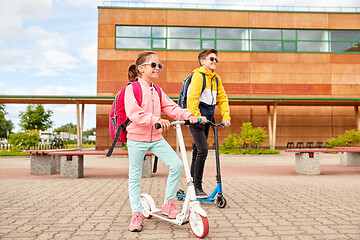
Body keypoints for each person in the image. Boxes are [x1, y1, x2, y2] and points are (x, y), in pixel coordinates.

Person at [125, 51, 198, 232]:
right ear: (141, 69)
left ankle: (168, 204)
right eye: (153, 65)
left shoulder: (157, 90)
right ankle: (136, 213)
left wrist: (188, 114)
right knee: (135, 175)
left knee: (176, 164)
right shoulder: (131, 89)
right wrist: (154, 120)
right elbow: (134, 112)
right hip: (136, 138)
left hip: (156, 138)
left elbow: (171, 107)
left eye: (160, 66)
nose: (158, 68)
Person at [186, 49, 231, 198]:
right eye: (211, 59)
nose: (214, 62)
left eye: (216, 60)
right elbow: (192, 98)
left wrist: (226, 117)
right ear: (202, 61)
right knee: (203, 150)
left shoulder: (216, 79)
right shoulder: (198, 76)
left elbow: (222, 99)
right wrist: (197, 116)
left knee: (198, 151)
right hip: (196, 119)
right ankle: (197, 187)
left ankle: (192, 184)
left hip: (208, 118)